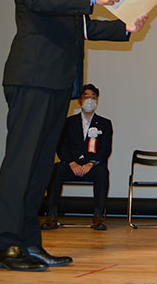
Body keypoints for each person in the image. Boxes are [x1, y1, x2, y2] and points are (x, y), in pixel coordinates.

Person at [0, 0, 147, 272]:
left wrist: (124, 28)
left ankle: (30, 243)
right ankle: (7, 246)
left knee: (40, 166)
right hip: (33, 75)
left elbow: (81, 26)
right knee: (21, 162)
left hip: (58, 81)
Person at [42, 83, 112, 231]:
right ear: (80, 100)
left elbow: (105, 149)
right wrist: (72, 163)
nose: (90, 101)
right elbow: (61, 146)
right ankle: (52, 215)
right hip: (71, 165)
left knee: (103, 172)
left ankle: (98, 217)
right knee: (56, 170)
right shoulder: (68, 122)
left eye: (93, 97)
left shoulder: (105, 124)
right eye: (86, 97)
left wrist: (90, 164)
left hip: (92, 167)